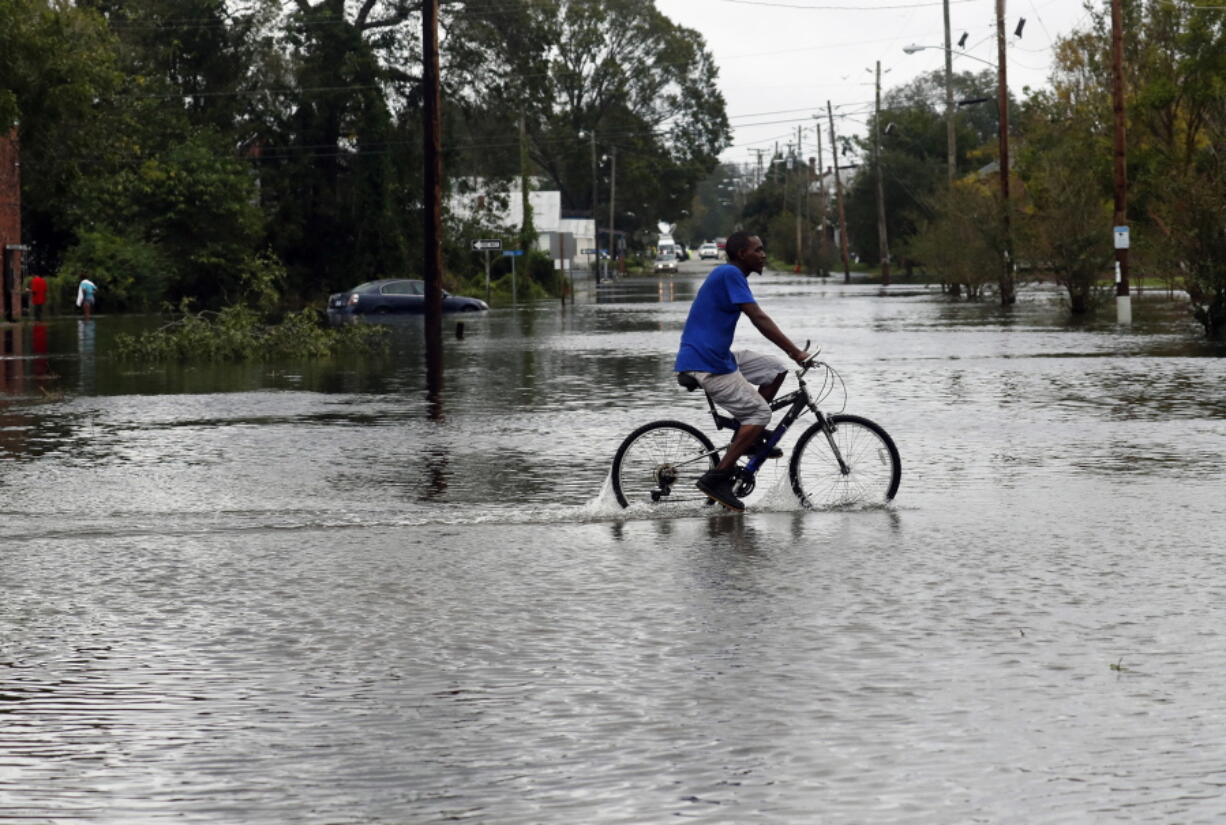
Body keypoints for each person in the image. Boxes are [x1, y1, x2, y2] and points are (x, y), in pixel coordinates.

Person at [674, 231, 810, 511]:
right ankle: (717, 478)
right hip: (707, 362)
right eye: (757, 250)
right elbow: (759, 318)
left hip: (717, 357)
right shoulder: (730, 274)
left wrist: (789, 356)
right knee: (761, 413)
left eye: (763, 249)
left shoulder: (731, 276)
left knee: (774, 370)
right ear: (740, 255)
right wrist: (796, 352)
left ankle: (748, 439)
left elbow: (758, 320)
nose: (763, 255)